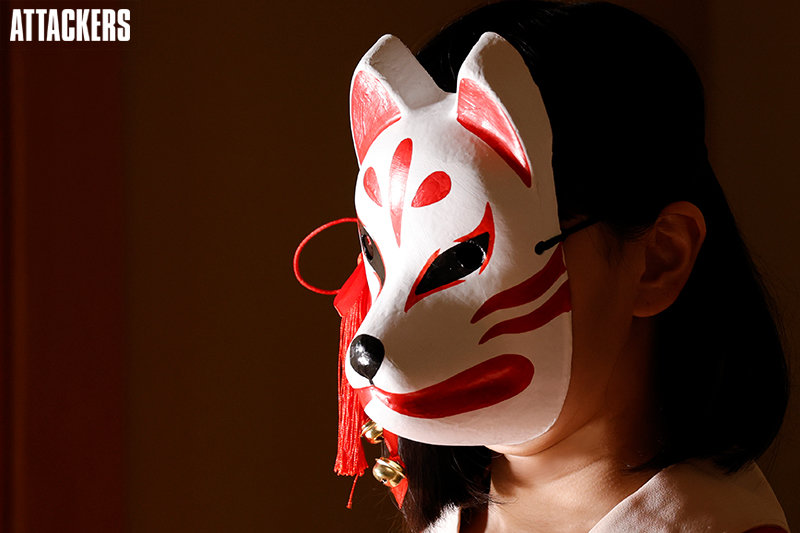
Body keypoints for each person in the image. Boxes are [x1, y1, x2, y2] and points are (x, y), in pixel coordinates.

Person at [300, 1, 790, 531]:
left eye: (461, 258)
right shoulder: (456, 514)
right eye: (375, 252)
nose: (374, 332)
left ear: (658, 259)